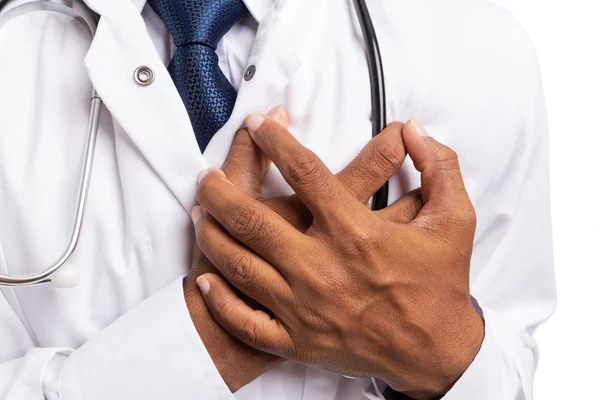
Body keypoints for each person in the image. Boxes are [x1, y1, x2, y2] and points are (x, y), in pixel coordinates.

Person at [0, 0, 555, 399]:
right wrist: (210, 339)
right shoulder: (16, 48)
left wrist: (440, 350)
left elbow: (511, 366)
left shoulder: (481, 52)